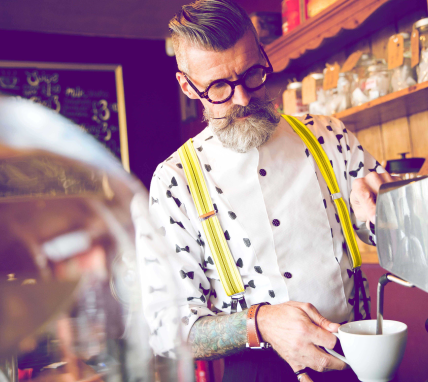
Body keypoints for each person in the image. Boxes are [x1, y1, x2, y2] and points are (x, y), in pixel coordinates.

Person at [143, 1, 387, 380]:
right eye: (220, 87)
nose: (242, 98)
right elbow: (166, 328)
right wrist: (260, 324)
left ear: (263, 54)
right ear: (188, 86)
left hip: (357, 355)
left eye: (252, 74)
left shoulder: (328, 136)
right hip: (257, 370)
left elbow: (387, 235)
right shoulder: (174, 181)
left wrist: (389, 215)